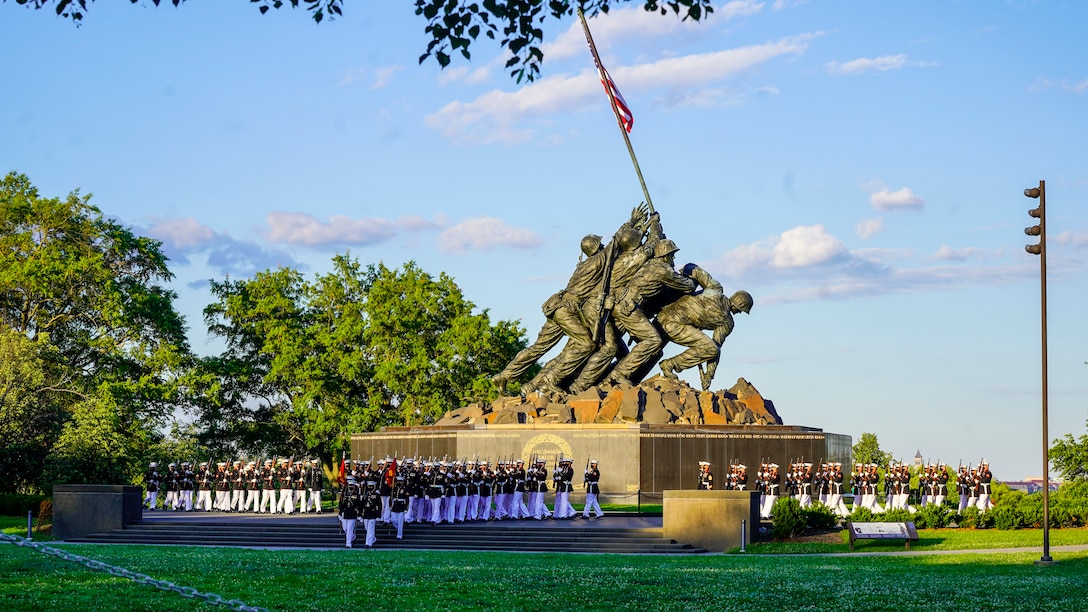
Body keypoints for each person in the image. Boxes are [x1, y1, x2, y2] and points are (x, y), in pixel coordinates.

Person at [360, 478, 382, 549]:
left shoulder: (376, 495)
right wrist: (360, 515)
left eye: (371, 486)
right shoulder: (365, 494)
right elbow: (362, 505)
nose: (369, 487)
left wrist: (379, 515)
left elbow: (379, 505)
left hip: (373, 513)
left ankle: (368, 544)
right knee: (366, 527)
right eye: (369, 486)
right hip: (366, 513)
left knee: (370, 528)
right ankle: (373, 538)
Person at [339, 477, 360, 548]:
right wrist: (340, 513)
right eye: (349, 485)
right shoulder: (344, 494)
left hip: (352, 513)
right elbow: (342, 504)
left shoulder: (356, 495)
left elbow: (358, 505)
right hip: (345, 513)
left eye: (352, 485)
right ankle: (353, 537)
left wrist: (358, 514)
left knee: (350, 529)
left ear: (354, 486)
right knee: (345, 528)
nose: (350, 487)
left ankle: (348, 544)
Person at [390, 475, 410, 539]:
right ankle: (399, 528)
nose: (399, 482)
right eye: (398, 481)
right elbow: (392, 497)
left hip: (401, 505)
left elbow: (407, 499)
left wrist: (406, 507)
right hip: (395, 505)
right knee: (393, 520)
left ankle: (399, 535)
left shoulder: (405, 489)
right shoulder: (394, 488)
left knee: (400, 521)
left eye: (400, 481)